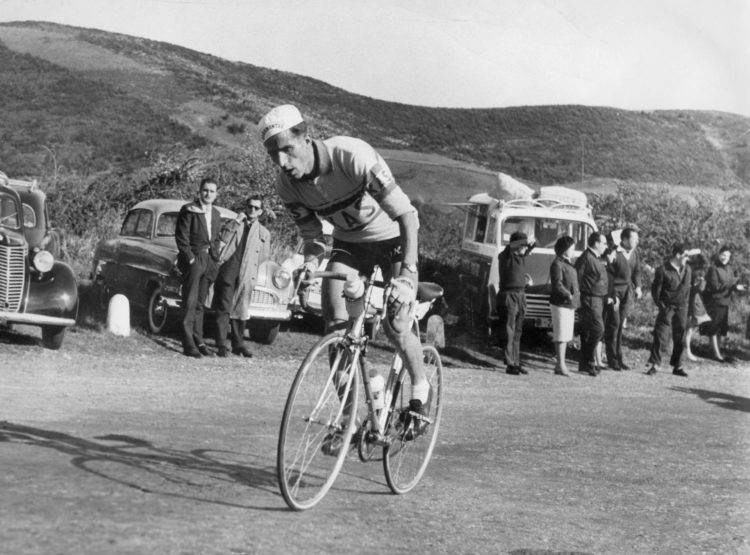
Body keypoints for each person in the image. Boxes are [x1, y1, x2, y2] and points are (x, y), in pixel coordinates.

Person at [257, 104, 428, 438]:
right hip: (350, 244)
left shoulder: (352, 155)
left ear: (306, 138)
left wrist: (407, 273)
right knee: (336, 332)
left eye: (288, 150)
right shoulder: (287, 185)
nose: (282, 163)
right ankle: (349, 421)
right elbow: (314, 238)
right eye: (273, 156)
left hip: (394, 236)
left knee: (396, 323)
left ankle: (421, 391)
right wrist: (309, 260)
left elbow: (406, 215)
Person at [213, 197, 270, 358]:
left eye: (256, 208)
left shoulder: (263, 233)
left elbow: (264, 256)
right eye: (249, 206)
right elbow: (223, 238)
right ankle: (221, 344)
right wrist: (237, 221)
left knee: (241, 309)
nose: (252, 210)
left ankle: (238, 344)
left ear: (260, 211)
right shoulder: (234, 224)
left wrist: (251, 269)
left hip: (247, 274)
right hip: (229, 270)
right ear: (245, 207)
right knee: (224, 308)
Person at [175, 178, 222, 358]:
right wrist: (190, 259)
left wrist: (215, 258)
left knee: (201, 303)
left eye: (212, 191)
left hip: (209, 261)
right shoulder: (189, 210)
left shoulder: (216, 214)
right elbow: (181, 237)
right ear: (199, 191)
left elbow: (216, 238)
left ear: (216, 194)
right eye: (205, 190)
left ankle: (199, 341)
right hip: (195, 260)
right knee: (190, 302)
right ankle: (188, 344)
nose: (208, 194)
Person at [646, 243, 692, 377]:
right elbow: (656, 291)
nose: (688, 258)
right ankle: (655, 364)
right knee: (661, 336)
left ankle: (677, 365)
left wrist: (686, 305)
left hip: (682, 307)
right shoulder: (662, 270)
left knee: (680, 337)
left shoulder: (687, 269)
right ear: (678, 255)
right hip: (667, 307)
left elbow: (688, 288)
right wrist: (662, 306)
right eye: (686, 255)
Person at [575, 232, 615, 377]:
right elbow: (577, 278)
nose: (606, 246)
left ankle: (586, 363)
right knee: (598, 329)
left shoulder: (595, 258)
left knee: (589, 332)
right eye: (604, 243)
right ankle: (588, 360)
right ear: (596, 243)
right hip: (590, 298)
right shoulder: (586, 258)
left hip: (598, 299)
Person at [496, 231, 535, 375]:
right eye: (523, 245)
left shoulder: (520, 256)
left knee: (517, 330)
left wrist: (531, 243)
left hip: (520, 294)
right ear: (517, 245)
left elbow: (529, 248)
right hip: (509, 294)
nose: (526, 248)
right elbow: (512, 246)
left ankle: (516, 361)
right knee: (509, 330)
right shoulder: (506, 256)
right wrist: (524, 241)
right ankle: (509, 362)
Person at [604, 227, 642, 370]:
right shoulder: (614, 252)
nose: (637, 241)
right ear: (625, 239)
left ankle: (619, 358)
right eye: (634, 238)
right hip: (615, 292)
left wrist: (638, 286)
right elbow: (608, 275)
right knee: (613, 325)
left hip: (627, 292)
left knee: (620, 326)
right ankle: (611, 358)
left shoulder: (635, 253)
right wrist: (613, 295)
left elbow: (637, 271)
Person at [700, 246, 746, 362]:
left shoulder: (729, 268)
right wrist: (731, 284)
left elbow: (729, 284)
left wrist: (736, 287)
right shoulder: (713, 269)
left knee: (720, 329)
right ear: (719, 254)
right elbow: (715, 287)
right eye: (723, 255)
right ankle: (716, 354)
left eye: (727, 255)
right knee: (714, 329)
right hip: (715, 301)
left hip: (725, 301)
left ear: (730, 256)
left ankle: (716, 351)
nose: (725, 257)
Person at [549, 235, 579, 376]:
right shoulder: (557, 264)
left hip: (568, 304)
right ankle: (560, 365)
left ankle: (560, 364)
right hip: (561, 303)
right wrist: (568, 295)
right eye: (571, 248)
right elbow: (557, 284)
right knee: (561, 335)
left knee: (566, 335)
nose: (573, 250)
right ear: (564, 249)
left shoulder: (566, 262)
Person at [685, 252, 710, 361]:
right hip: (691, 300)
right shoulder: (692, 269)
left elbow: (700, 288)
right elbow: (700, 288)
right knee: (689, 327)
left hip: (694, 299)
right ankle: (687, 351)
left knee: (691, 327)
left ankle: (686, 350)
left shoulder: (696, 269)